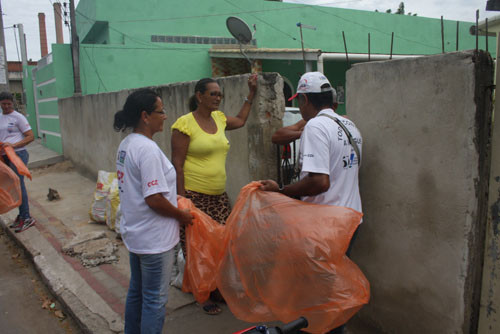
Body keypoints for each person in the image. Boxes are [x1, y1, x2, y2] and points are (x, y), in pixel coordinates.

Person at [260, 72, 362, 334]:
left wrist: (281, 191)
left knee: (316, 294)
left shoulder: (316, 126)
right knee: (333, 288)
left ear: (304, 100)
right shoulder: (349, 126)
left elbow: (319, 182)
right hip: (349, 220)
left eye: (300, 102)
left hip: (323, 225)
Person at [171, 74, 257, 315]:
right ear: (199, 96)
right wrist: (182, 202)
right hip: (194, 195)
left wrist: (250, 94)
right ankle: (203, 294)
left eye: (220, 94)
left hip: (218, 196)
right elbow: (176, 164)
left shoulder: (219, 119)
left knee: (221, 245)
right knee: (198, 249)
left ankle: (217, 288)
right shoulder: (184, 124)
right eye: (213, 93)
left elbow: (240, 120)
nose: (218, 97)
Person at [113, 88, 193, 334]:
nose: (165, 116)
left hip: (137, 235)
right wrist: (182, 215)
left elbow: (148, 191)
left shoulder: (127, 145)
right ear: (145, 116)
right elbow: (155, 199)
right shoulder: (146, 150)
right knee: (154, 300)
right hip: (154, 241)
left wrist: (173, 196)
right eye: (162, 111)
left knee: (137, 293)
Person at [0, 91, 36, 233]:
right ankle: (21, 215)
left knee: (19, 185)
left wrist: (13, 146)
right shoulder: (1, 117)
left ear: (13, 103)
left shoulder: (18, 117)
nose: (7, 106)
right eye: (4, 104)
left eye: (9, 104)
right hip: (5, 156)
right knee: (12, 187)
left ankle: (27, 217)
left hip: (18, 155)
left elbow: (30, 136)